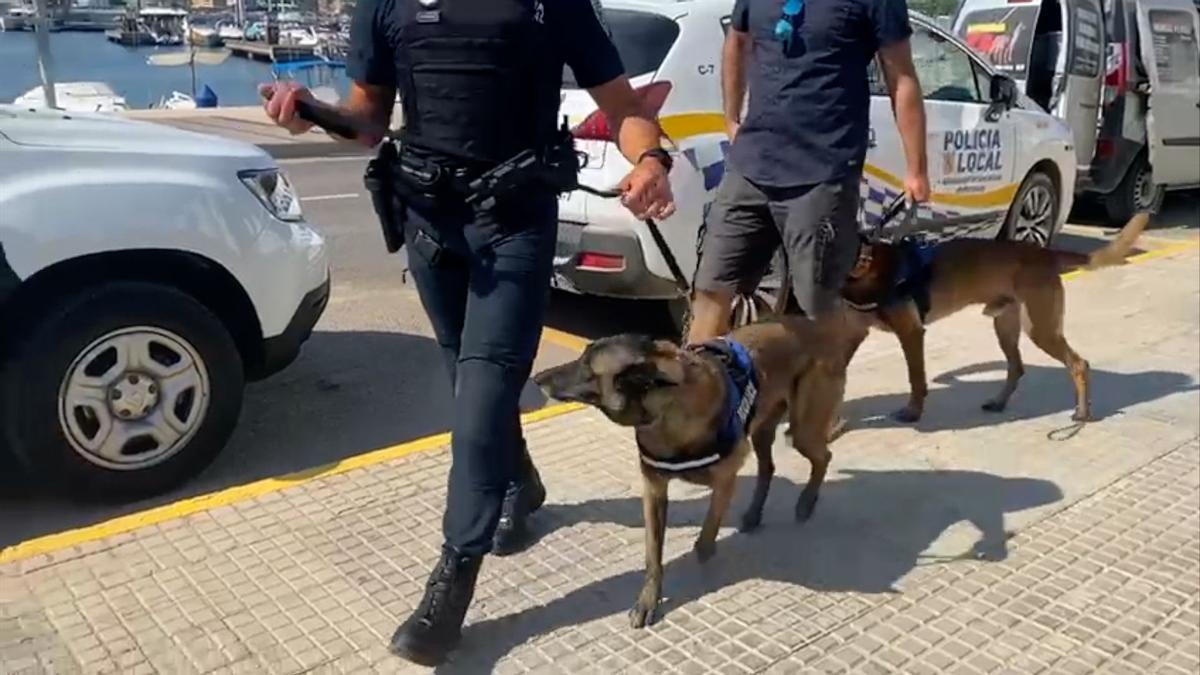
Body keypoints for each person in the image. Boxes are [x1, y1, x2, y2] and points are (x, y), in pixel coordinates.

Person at [261, 0, 676, 666]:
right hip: (427, 221)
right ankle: (519, 482)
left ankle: (453, 575)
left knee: (482, 393)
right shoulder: (387, 4)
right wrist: (311, 108)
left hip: (514, 222)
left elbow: (624, 107)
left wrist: (650, 159)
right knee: (464, 371)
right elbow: (368, 117)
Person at [687, 0, 930, 343]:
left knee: (818, 303)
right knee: (712, 286)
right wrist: (731, 117)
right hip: (751, 165)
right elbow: (737, 41)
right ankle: (704, 393)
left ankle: (819, 393)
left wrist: (916, 168)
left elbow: (901, 76)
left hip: (822, 173)